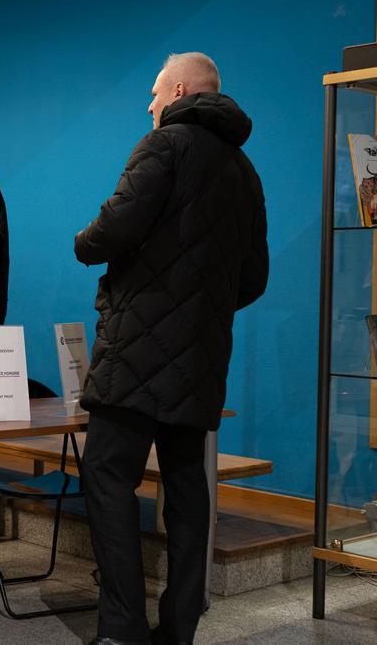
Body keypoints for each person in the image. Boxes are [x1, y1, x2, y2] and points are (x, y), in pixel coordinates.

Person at [73, 53, 268, 645]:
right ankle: (179, 629)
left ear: (179, 90)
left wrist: (83, 243)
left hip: (136, 352)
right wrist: (199, 313)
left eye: (155, 92)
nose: (149, 104)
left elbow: (113, 229)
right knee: (187, 490)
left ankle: (121, 628)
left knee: (107, 477)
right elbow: (254, 278)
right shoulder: (243, 169)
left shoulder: (163, 145)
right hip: (200, 360)